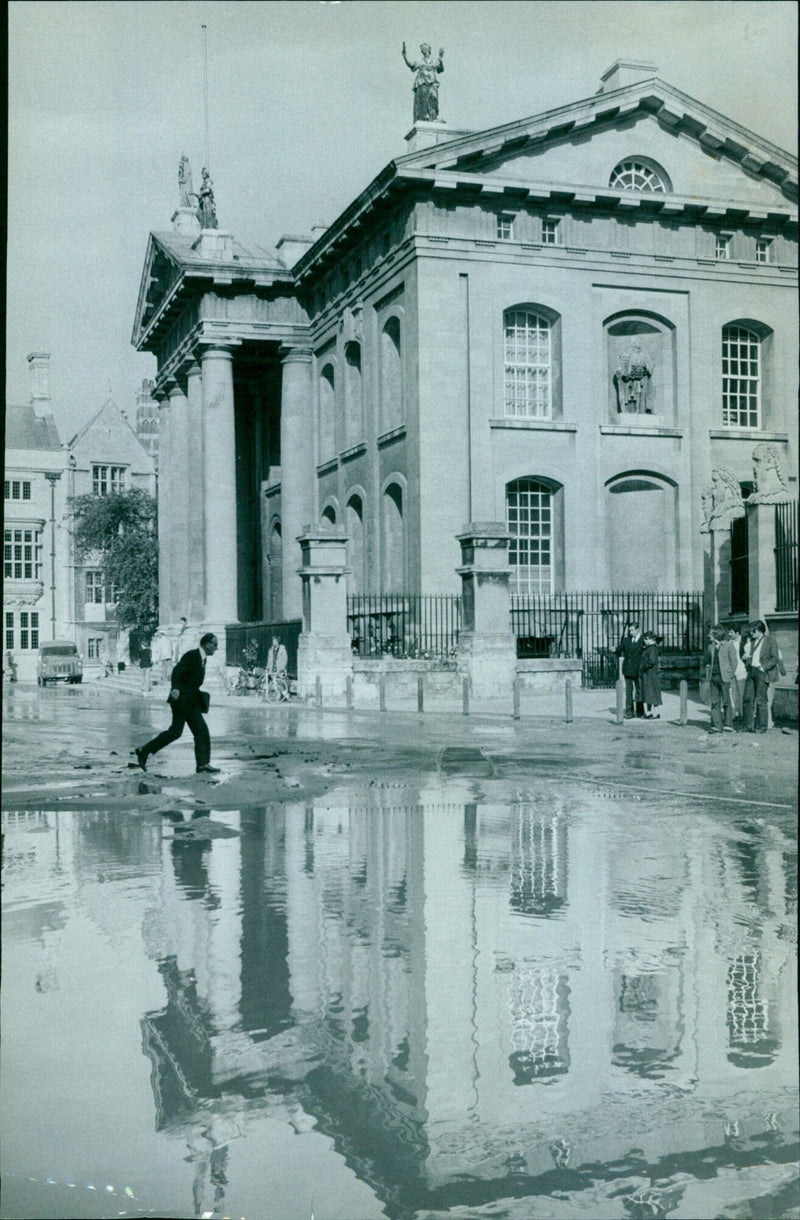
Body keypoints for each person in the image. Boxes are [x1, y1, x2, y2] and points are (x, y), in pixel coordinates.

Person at [134, 632, 220, 773]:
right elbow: (177, 671)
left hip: (191, 702)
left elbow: (192, 681)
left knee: (201, 732)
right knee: (176, 732)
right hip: (181, 701)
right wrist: (175, 688)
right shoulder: (192, 655)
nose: (216, 648)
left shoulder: (203, 659)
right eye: (215, 645)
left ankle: (203, 764)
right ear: (206, 644)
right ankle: (144, 750)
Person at [744, 620, 781, 733]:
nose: (751, 633)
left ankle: (762, 727)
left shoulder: (770, 640)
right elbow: (749, 655)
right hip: (751, 671)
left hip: (762, 672)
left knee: (761, 700)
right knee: (747, 699)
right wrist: (747, 660)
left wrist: (763, 667)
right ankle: (748, 726)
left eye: (753, 631)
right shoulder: (751, 641)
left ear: (759, 630)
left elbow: (774, 658)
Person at [705, 625, 737, 733]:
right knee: (714, 702)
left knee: (726, 701)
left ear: (716, 635)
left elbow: (734, 662)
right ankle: (716, 725)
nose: (708, 635)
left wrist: (730, 675)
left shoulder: (728, 646)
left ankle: (728, 724)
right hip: (713, 677)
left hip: (725, 678)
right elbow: (708, 662)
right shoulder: (710, 647)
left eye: (711, 633)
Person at [401, 42, 445, 121]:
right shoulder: (420, 61)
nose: (423, 50)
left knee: (434, 97)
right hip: (422, 83)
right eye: (422, 49)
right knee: (424, 100)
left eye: (425, 48)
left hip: (432, 83)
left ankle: (434, 116)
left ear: (429, 49)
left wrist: (440, 59)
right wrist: (405, 57)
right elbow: (411, 64)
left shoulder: (434, 61)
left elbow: (440, 69)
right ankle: (425, 116)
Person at [615, 621, 645, 719]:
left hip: (638, 670)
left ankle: (640, 712)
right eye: (629, 630)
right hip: (628, 669)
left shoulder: (644, 640)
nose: (630, 632)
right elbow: (619, 649)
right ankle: (629, 712)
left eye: (632, 630)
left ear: (638, 629)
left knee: (639, 691)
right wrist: (614, 649)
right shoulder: (626, 640)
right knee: (628, 691)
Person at [639, 631, 662, 719]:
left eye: (646, 639)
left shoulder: (652, 649)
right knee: (649, 693)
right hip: (649, 673)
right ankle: (649, 713)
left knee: (651, 692)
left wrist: (643, 667)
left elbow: (651, 661)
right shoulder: (650, 648)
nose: (644, 640)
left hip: (650, 673)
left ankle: (654, 713)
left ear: (651, 639)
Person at [728, 626, 747, 722]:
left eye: (731, 632)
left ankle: (742, 714)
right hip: (731, 672)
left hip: (741, 671)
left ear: (737, 632)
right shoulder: (728, 643)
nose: (729, 634)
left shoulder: (743, 643)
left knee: (742, 693)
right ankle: (732, 714)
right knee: (732, 693)